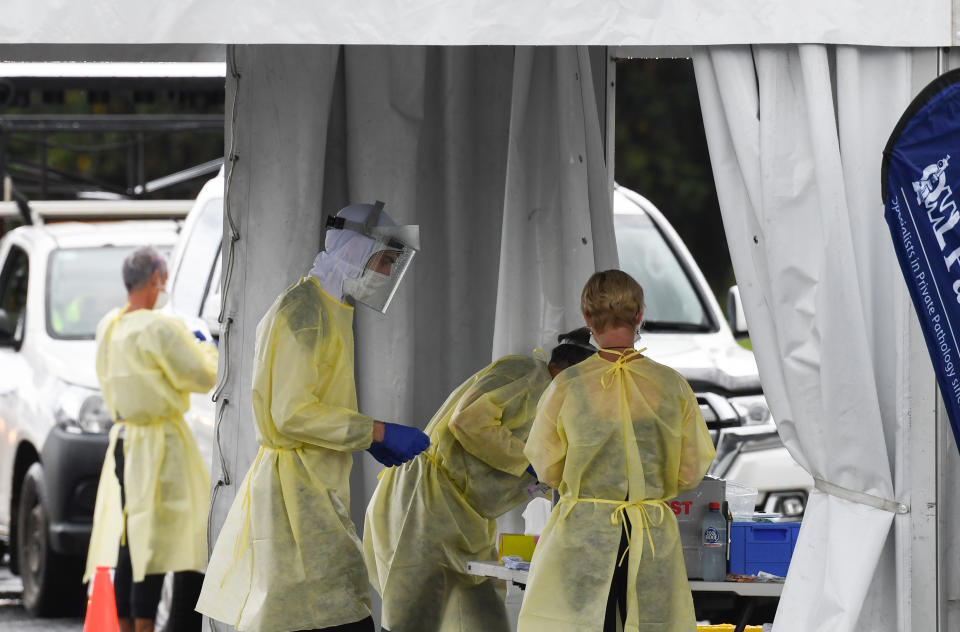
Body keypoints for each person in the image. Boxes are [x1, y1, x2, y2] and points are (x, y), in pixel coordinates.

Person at [197, 203, 430, 632]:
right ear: (357, 250)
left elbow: (312, 400)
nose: (385, 272)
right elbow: (292, 413)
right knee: (327, 617)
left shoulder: (326, 307)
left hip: (313, 486)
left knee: (327, 613)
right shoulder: (304, 313)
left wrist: (367, 438)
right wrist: (374, 430)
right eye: (384, 259)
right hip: (295, 491)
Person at [517, 270, 715, 632]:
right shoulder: (672, 385)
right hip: (651, 532)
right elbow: (690, 471)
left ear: (587, 318)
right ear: (639, 315)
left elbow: (547, 467)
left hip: (585, 532)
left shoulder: (568, 385)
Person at [363, 328, 597, 632]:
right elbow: (469, 420)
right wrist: (533, 465)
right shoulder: (529, 374)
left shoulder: (554, 412)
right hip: (427, 503)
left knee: (485, 621)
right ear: (570, 372)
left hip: (469, 518)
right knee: (412, 620)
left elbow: (535, 467)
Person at [84, 246, 219, 632]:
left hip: (126, 439)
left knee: (133, 535)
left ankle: (128, 623)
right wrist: (206, 345)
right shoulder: (159, 327)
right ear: (157, 278)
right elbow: (200, 374)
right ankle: (145, 624)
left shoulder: (110, 324)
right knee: (157, 540)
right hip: (162, 443)